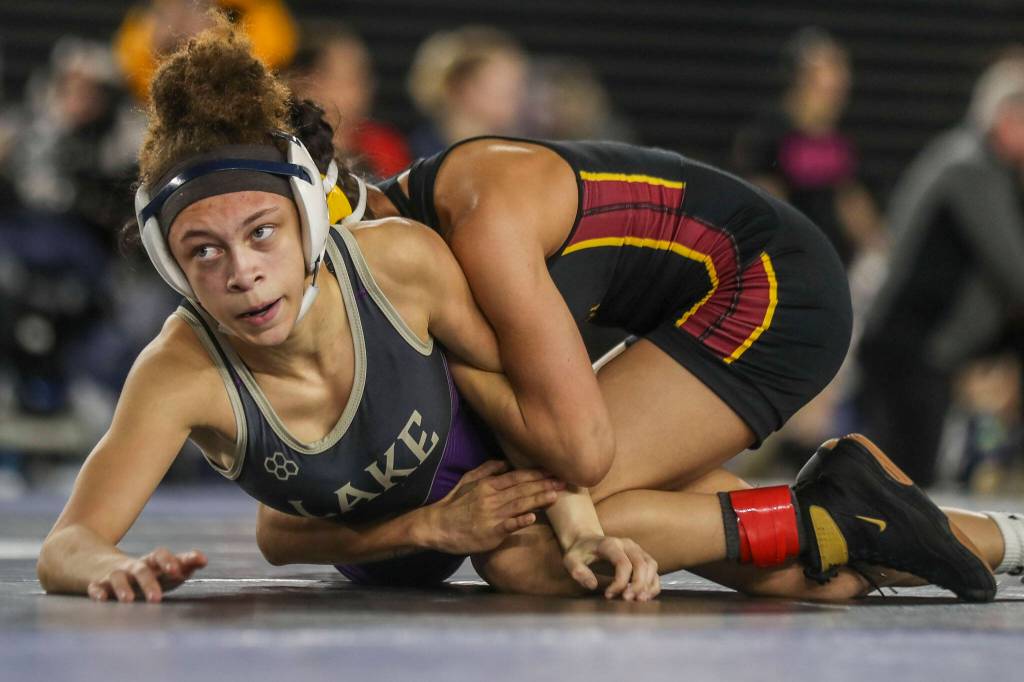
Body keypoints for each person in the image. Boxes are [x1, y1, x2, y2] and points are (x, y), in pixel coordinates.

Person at [37, 22, 1020, 606]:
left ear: (314, 222)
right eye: (204, 251)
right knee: (815, 579)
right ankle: (984, 534)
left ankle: (847, 507)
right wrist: (436, 522)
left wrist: (531, 517)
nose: (251, 276)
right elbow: (278, 522)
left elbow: (568, 440)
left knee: (523, 554)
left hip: (763, 286)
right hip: (668, 321)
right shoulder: (239, 339)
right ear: (172, 260)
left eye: (269, 237)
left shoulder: (449, 236)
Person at [857, 51, 1024, 487]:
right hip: (909, 353)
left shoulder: (978, 165)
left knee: (903, 486)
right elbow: (1015, 269)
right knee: (904, 489)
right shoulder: (972, 167)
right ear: (1007, 118)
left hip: (919, 355)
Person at [286, 24, 411, 180]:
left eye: (364, 79)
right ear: (305, 84)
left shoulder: (384, 148)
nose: (362, 91)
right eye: (347, 81)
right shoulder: (282, 150)